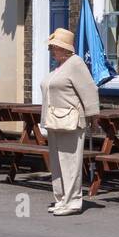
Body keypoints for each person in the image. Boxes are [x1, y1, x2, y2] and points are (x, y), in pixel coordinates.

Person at [41, 28, 100, 216]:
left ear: (63, 48)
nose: (51, 50)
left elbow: (89, 90)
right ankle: (61, 198)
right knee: (58, 163)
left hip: (71, 121)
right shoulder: (59, 67)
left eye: (54, 47)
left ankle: (73, 201)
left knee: (70, 162)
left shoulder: (75, 63)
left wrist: (93, 117)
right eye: (51, 47)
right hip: (53, 120)